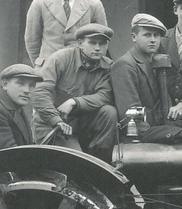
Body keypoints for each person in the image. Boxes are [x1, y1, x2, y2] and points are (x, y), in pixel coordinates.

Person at [32, 23, 118, 160]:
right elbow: (40, 93)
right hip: (54, 125)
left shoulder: (108, 66)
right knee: (77, 162)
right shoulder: (60, 58)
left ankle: (101, 158)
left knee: (109, 111)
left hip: (83, 124)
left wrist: (75, 102)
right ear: (80, 43)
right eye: (92, 42)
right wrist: (56, 120)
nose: (97, 48)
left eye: (102, 43)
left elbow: (105, 95)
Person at [111, 13, 171, 142]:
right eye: (147, 35)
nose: (153, 40)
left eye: (157, 35)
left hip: (156, 131)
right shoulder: (125, 64)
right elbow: (130, 114)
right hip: (137, 137)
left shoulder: (156, 62)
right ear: (134, 37)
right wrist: (162, 135)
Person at [0, 64, 41, 150]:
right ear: (5, 84)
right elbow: (8, 155)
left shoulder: (14, 106)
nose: (27, 90)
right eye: (20, 83)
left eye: (32, 85)